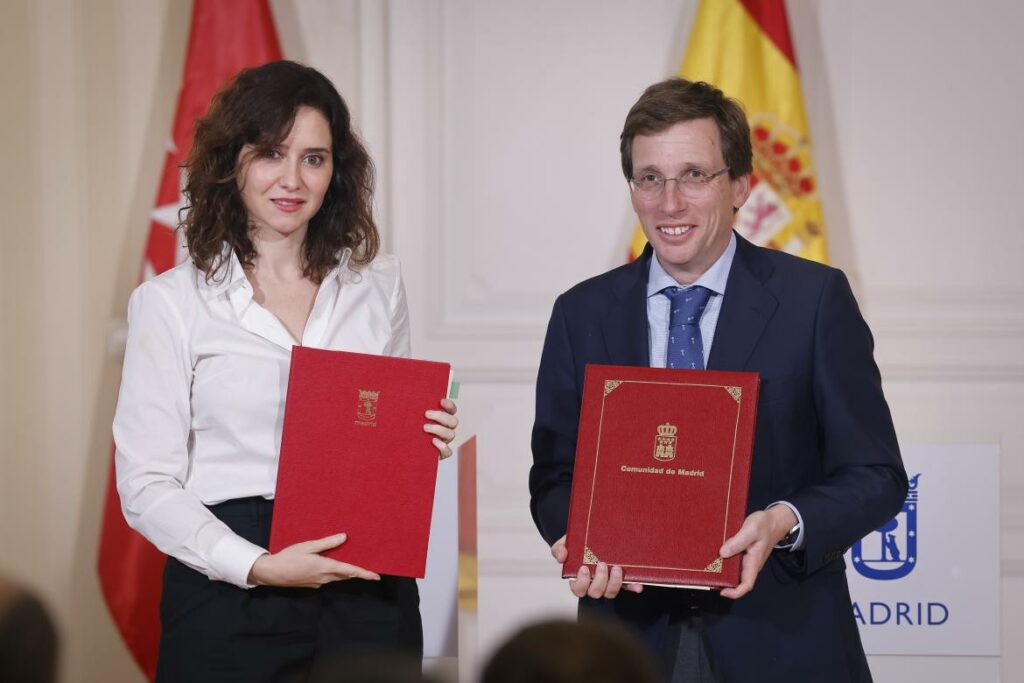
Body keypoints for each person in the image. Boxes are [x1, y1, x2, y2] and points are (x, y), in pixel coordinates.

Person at [529, 78, 907, 682]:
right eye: (649, 177)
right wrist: (575, 534)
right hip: (629, 641)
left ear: (740, 186)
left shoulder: (814, 301)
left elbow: (877, 476)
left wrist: (784, 520)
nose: (669, 202)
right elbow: (554, 473)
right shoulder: (582, 313)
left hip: (783, 637)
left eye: (694, 176)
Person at [113, 60, 458, 682]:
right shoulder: (170, 303)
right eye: (271, 153)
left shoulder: (376, 288)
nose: (293, 179)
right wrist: (255, 564)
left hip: (369, 585)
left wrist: (425, 436)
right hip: (231, 590)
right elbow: (145, 486)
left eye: (314, 158)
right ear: (231, 162)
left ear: (337, 171)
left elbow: (382, 435)